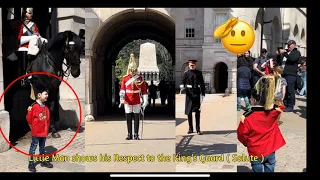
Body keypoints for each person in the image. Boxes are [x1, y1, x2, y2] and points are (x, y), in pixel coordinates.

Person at [237, 75, 286, 172]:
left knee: (257, 169)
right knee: (270, 168)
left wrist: (246, 143)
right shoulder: (274, 111)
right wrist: (270, 92)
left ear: (254, 99)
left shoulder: (247, 117)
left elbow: (241, 135)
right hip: (270, 149)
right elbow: (281, 105)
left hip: (255, 150)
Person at [26, 80, 53, 172]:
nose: (47, 96)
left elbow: (48, 118)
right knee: (33, 147)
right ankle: (31, 163)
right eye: (45, 94)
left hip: (43, 132)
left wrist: (46, 129)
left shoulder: (45, 107)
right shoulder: (33, 107)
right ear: (39, 95)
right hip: (36, 132)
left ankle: (43, 160)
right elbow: (29, 118)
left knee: (42, 147)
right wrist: (33, 127)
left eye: (47, 94)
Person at [119, 54, 148, 140]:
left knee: (136, 118)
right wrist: (122, 94)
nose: (132, 72)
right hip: (128, 100)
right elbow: (122, 88)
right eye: (131, 70)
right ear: (129, 70)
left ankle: (136, 134)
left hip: (136, 100)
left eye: (134, 70)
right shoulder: (125, 78)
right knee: (128, 118)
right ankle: (129, 134)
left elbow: (143, 90)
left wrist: (145, 100)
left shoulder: (140, 78)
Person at [17, 8, 47, 87]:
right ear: (25, 13)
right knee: (24, 55)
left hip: (33, 47)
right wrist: (32, 37)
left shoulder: (34, 25)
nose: (31, 14)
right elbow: (20, 39)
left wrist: (44, 40)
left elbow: (38, 35)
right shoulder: (20, 24)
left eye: (31, 13)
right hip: (24, 47)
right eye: (29, 13)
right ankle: (23, 77)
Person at [180, 59, 205, 135]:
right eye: (190, 65)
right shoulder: (186, 73)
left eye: (193, 65)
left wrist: (203, 93)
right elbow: (183, 81)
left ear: (195, 65)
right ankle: (190, 128)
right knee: (189, 112)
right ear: (189, 65)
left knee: (197, 112)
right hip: (189, 94)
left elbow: (202, 83)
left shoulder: (199, 73)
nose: (192, 66)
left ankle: (198, 129)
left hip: (197, 93)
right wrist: (181, 86)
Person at [277, 40, 301, 112]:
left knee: (290, 90)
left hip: (291, 74)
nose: (288, 46)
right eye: (287, 45)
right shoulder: (286, 53)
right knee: (285, 90)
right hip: (284, 74)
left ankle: (290, 106)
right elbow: (280, 62)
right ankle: (285, 104)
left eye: (289, 45)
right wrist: (279, 54)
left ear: (294, 45)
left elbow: (292, 59)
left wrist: (284, 52)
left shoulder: (296, 53)